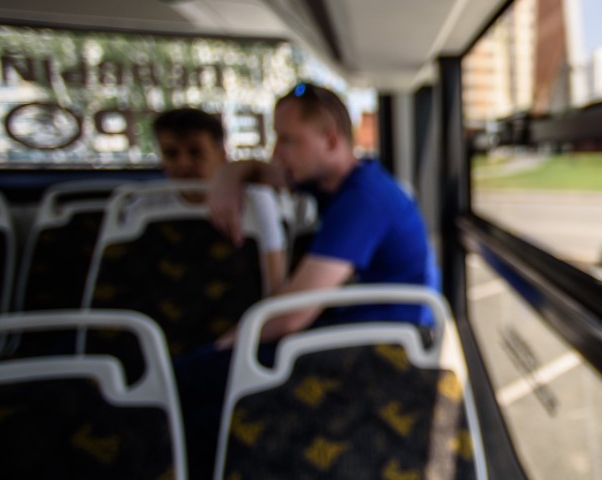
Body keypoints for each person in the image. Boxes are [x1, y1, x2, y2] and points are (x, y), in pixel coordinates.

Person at [208, 82, 439, 348]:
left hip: (391, 340)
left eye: (288, 140)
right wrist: (227, 176)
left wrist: (218, 350)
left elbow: (289, 316)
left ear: (330, 141)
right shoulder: (329, 183)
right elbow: (260, 171)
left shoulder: (363, 200)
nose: (276, 154)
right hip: (364, 325)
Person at [139, 107, 286, 292]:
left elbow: (275, 283)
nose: (183, 163)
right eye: (171, 153)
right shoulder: (142, 205)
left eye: (196, 152)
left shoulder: (255, 200)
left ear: (221, 155)